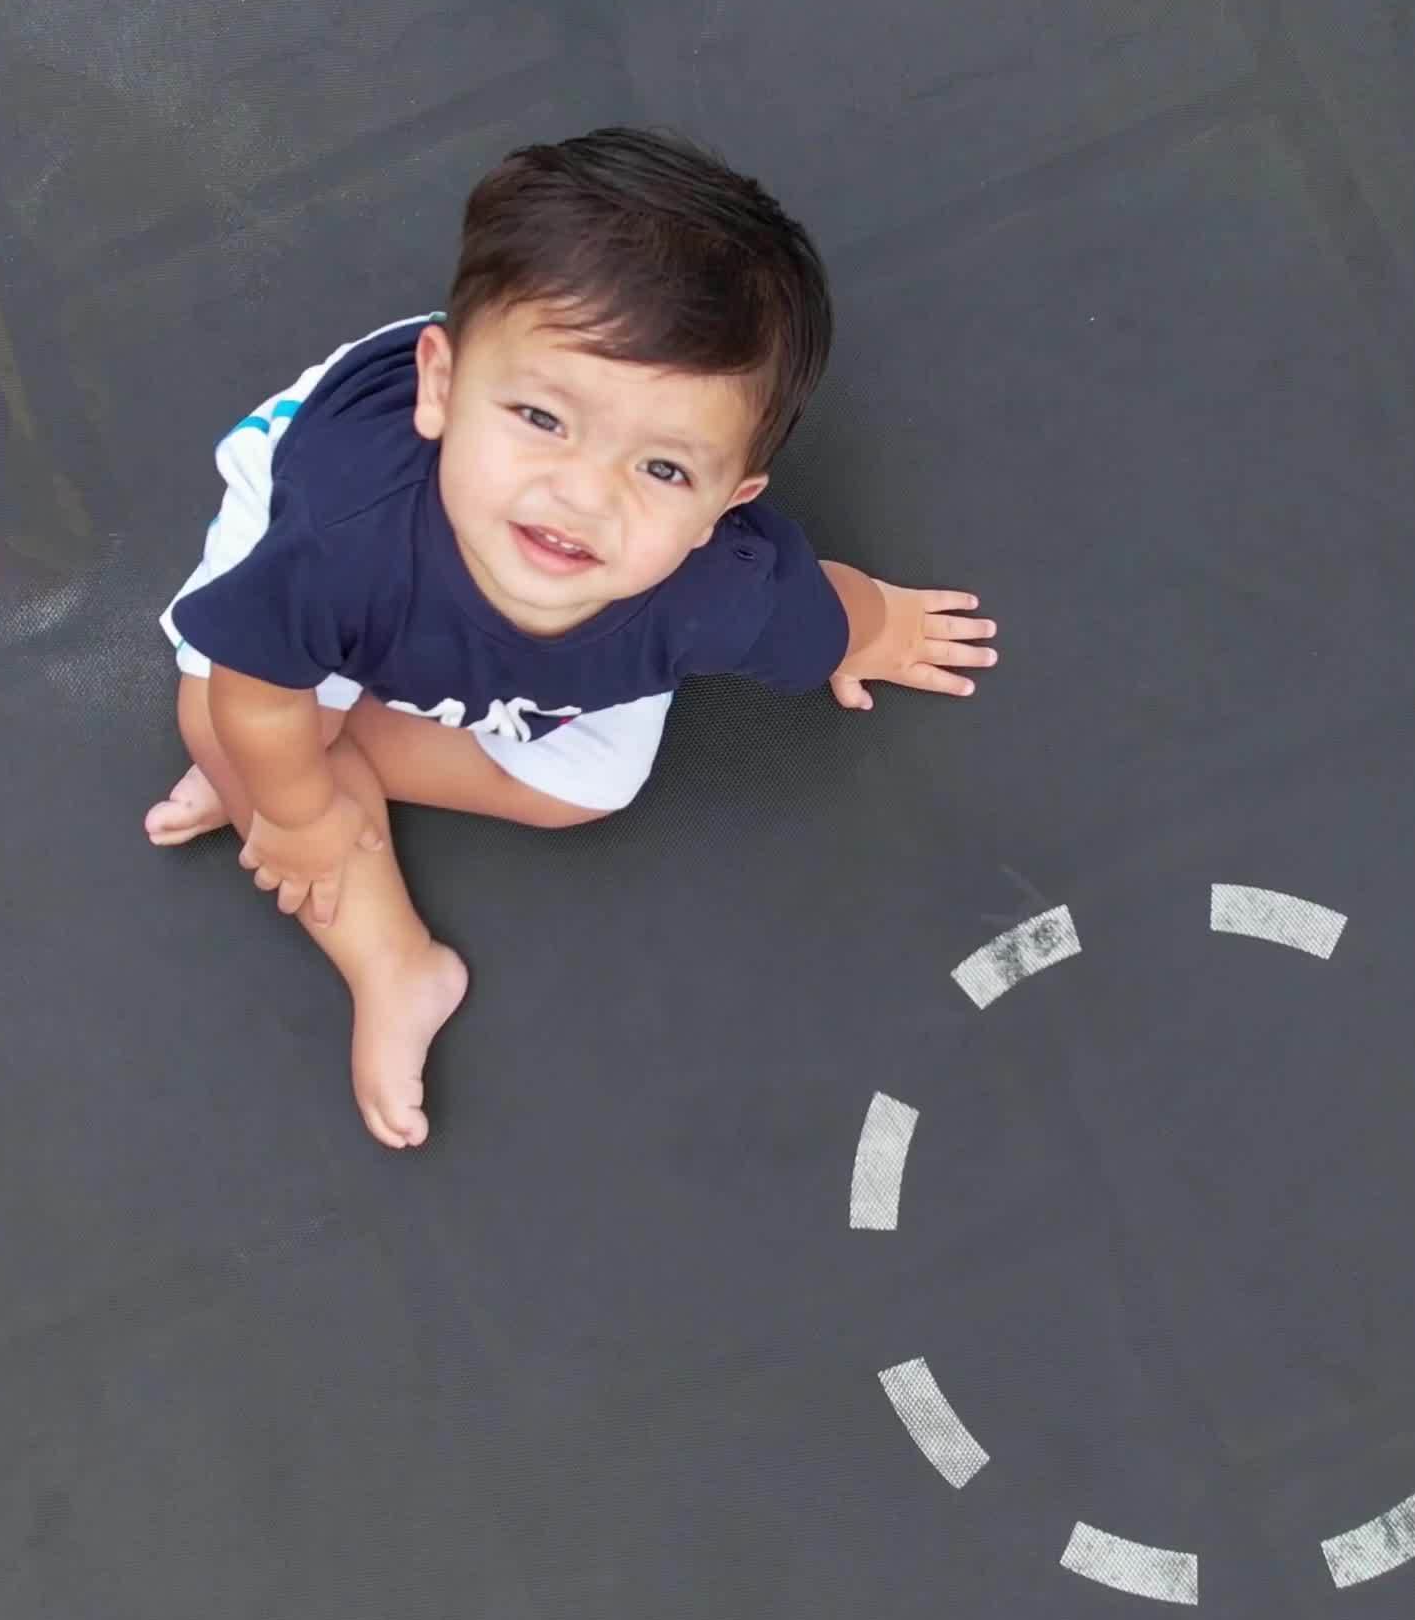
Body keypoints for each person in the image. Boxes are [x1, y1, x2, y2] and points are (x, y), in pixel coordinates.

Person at [143, 130, 995, 1147]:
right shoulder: (337, 541)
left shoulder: (717, 591)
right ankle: (396, 964)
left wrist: (880, 629)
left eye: (665, 470)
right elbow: (256, 682)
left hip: (463, 639)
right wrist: (291, 810)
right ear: (445, 386)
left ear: (731, 504)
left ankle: (310, 754)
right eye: (542, 419)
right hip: (330, 503)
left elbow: (824, 612)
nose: (581, 495)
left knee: (586, 793)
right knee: (223, 717)